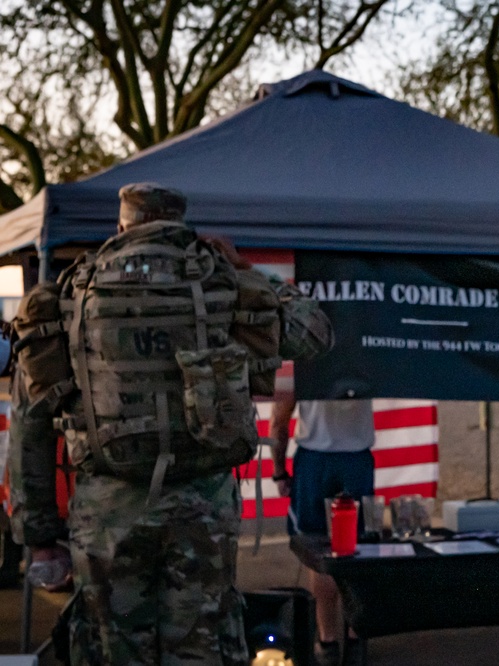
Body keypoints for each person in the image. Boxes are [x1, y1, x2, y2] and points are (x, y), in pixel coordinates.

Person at [8, 182, 328, 665]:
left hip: (106, 513)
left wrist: (39, 535)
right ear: (180, 223)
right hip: (201, 508)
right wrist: (245, 267)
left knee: (114, 648)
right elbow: (314, 332)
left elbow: (31, 425)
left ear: (122, 225)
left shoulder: (71, 295)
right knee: (199, 644)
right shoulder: (221, 283)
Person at [270, 396, 376, 666]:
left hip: (315, 460)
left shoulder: (303, 356)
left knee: (319, 553)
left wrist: (279, 471)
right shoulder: (366, 354)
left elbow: (279, 421)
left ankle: (327, 642)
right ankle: (355, 641)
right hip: (355, 457)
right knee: (358, 550)